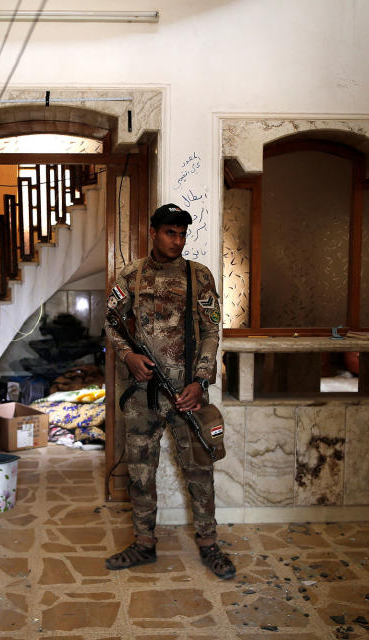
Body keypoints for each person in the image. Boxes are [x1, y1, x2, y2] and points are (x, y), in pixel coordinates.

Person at [104, 203, 236, 580]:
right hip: (143, 396)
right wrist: (127, 355)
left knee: (199, 470)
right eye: (169, 233)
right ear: (153, 233)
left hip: (188, 394)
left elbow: (212, 331)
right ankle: (144, 543)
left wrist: (201, 380)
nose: (177, 241)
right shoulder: (130, 276)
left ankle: (209, 545)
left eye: (182, 234)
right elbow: (112, 322)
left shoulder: (199, 276)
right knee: (141, 473)